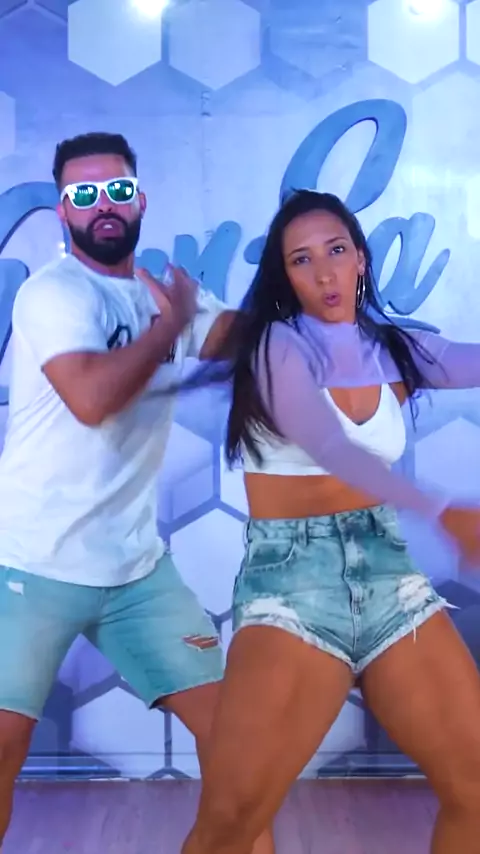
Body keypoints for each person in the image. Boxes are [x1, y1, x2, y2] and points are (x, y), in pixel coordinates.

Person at [178, 190, 480, 854]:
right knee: (231, 821)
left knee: (476, 789)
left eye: (336, 251)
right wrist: (440, 511)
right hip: (293, 587)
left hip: (390, 576)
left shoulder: (396, 351)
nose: (324, 272)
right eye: (301, 260)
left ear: (361, 259)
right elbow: (329, 444)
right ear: (284, 275)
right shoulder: (273, 344)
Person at [0, 132, 274, 854]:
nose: (104, 205)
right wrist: (169, 328)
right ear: (63, 210)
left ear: (140, 200)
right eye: (84, 194)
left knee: (238, 746)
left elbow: (250, 342)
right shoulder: (52, 292)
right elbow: (92, 398)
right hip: (30, 564)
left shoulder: (171, 296)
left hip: (136, 572)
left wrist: (296, 288)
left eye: (117, 190)